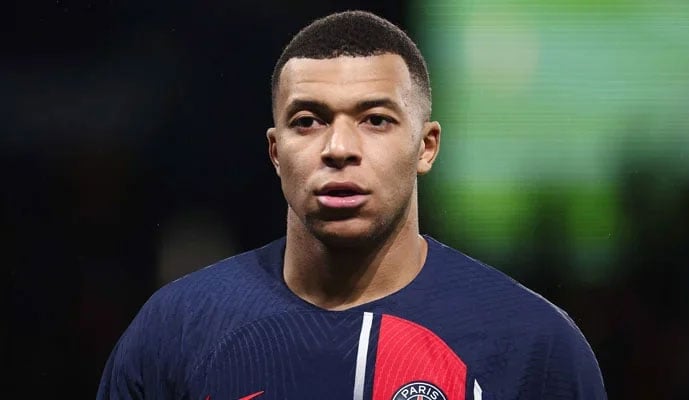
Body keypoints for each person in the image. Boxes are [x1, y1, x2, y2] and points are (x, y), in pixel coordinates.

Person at [97, 10, 607, 400]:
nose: (339, 148)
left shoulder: (534, 344)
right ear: (275, 152)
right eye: (308, 121)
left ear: (426, 147)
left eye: (376, 119)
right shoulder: (175, 329)